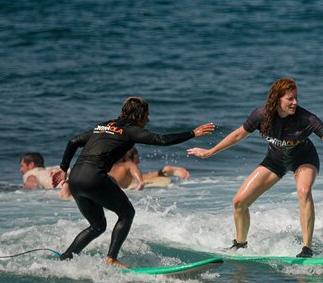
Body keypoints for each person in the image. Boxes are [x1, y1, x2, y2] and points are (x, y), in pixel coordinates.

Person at [187, 77, 323, 258]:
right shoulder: (261, 115)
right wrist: (210, 152)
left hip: (304, 158)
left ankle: (307, 248)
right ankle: (240, 244)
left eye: (296, 98)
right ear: (277, 100)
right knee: (239, 201)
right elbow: (238, 135)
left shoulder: (306, 119)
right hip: (275, 160)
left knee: (303, 192)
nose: (295, 102)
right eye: (290, 99)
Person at [51, 96, 215, 267]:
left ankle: (66, 258)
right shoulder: (131, 130)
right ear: (139, 116)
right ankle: (111, 259)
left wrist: (63, 168)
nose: (148, 119)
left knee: (97, 226)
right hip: (94, 177)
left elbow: (73, 142)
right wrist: (192, 133)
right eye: (147, 115)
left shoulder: (104, 126)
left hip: (75, 179)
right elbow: (162, 140)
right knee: (127, 213)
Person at [108, 146, 190, 190]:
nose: (139, 162)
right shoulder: (129, 164)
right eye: (137, 158)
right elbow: (141, 182)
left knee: (132, 180)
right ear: (129, 158)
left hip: (105, 184)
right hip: (111, 187)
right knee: (135, 180)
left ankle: (162, 172)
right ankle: (162, 172)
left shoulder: (112, 166)